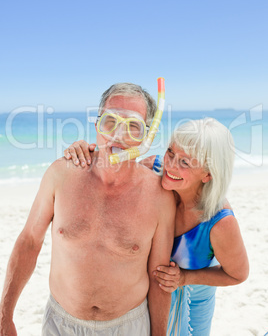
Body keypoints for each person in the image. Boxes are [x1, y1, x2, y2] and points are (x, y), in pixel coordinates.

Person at [0, 83, 176, 336]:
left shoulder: (159, 196)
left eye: (133, 127)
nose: (118, 135)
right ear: (96, 125)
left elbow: (159, 277)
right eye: (110, 122)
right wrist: (4, 317)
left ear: (146, 137)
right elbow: (29, 242)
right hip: (61, 324)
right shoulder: (61, 174)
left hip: (128, 325)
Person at [66, 117, 249, 335]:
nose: (170, 165)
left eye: (185, 163)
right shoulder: (152, 169)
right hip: (142, 302)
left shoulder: (219, 222)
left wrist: (185, 278)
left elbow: (238, 275)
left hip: (192, 311)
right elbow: (107, 172)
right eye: (171, 152)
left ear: (208, 174)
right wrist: (83, 151)